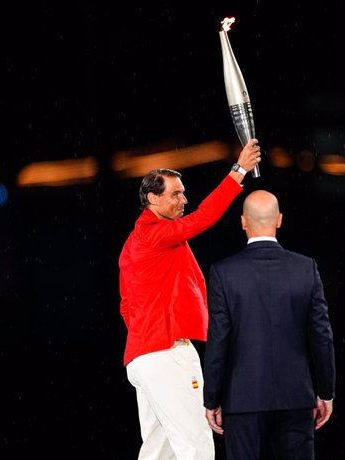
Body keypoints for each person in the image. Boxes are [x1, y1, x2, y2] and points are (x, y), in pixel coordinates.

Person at [118, 140, 261, 460]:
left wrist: (146, 333)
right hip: (165, 351)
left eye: (183, 192)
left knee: (159, 451)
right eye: (175, 194)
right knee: (195, 444)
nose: (184, 199)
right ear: (152, 198)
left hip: (142, 355)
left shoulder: (135, 243)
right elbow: (203, 218)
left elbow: (126, 305)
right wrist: (238, 171)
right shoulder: (153, 234)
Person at [203, 190, 336, 460]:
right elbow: (322, 336)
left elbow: (219, 340)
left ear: (242, 221)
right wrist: (325, 392)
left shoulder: (223, 272)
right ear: (279, 220)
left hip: (242, 400)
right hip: (296, 397)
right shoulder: (305, 268)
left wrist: (212, 398)